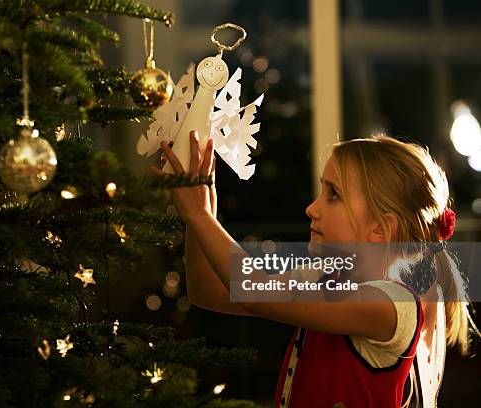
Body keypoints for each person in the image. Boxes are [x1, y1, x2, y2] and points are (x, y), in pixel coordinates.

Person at [150, 131, 478, 408]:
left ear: (380, 228)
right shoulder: (327, 278)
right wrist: (200, 213)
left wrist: (201, 217)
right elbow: (208, 292)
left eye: (332, 194)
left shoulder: (391, 305)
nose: (312, 208)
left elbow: (254, 293)